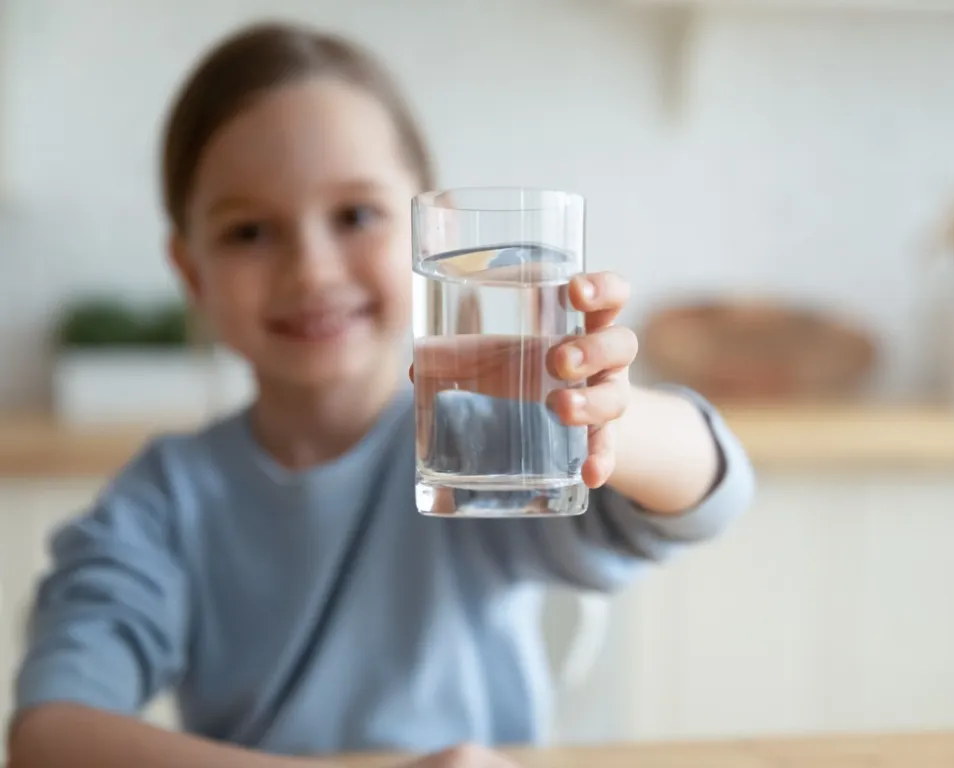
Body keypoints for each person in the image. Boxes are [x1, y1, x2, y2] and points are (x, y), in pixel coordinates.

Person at [6, 19, 755, 768]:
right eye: (249, 232)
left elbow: (709, 494)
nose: (312, 271)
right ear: (191, 272)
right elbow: (49, 735)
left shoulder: (483, 443)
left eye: (356, 216)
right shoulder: (162, 504)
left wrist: (611, 417)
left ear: (425, 234)